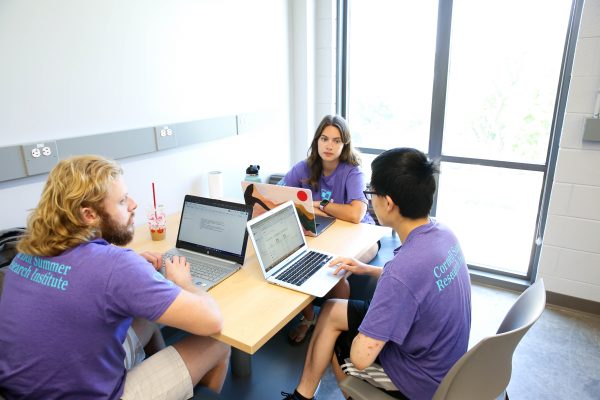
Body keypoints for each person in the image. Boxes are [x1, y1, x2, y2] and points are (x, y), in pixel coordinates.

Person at [0, 155, 230, 399]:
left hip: (20, 392)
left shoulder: (26, 254)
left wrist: (131, 274)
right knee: (217, 343)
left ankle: (170, 382)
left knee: (145, 319)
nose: (132, 205)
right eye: (121, 201)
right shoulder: (116, 266)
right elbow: (212, 321)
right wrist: (184, 282)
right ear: (89, 215)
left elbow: (83, 282)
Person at [281, 148, 472, 400]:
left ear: (389, 203)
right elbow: (419, 284)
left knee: (341, 344)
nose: (370, 199)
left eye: (371, 193)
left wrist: (366, 327)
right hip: (448, 361)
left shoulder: (401, 273)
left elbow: (361, 358)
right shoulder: (442, 233)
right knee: (332, 309)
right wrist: (366, 269)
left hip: (421, 382)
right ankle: (303, 395)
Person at [277, 114, 377, 345]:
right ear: (317, 141)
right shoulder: (303, 168)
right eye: (324, 139)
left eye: (336, 140)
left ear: (345, 145)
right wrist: (319, 209)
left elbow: (355, 214)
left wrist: (318, 204)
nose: (329, 145)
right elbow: (280, 196)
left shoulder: (353, 172)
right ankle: (309, 318)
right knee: (296, 262)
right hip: (321, 230)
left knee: (336, 272)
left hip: (361, 234)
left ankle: (332, 326)